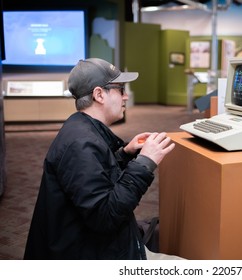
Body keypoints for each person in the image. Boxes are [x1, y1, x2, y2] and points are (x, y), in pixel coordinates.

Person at [24, 58, 175, 260]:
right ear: (99, 94)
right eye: (120, 90)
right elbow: (105, 216)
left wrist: (124, 154)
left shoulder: (82, 129)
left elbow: (96, 176)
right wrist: (144, 162)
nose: (126, 96)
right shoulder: (81, 145)